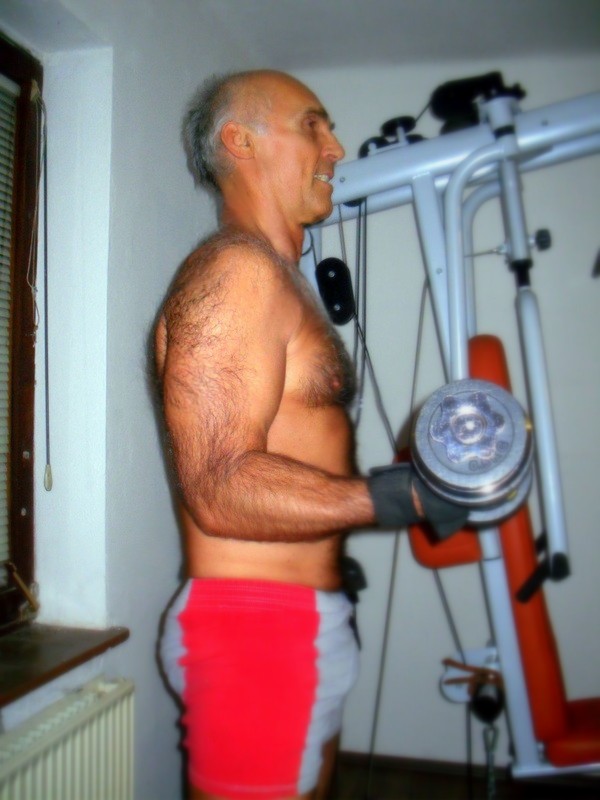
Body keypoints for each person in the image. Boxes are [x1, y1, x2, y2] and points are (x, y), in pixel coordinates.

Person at [156, 70, 467, 800]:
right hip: (257, 634)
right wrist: (398, 497)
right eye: (312, 126)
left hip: (293, 624)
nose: (336, 147)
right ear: (241, 142)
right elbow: (220, 486)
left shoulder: (277, 278)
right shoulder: (236, 273)